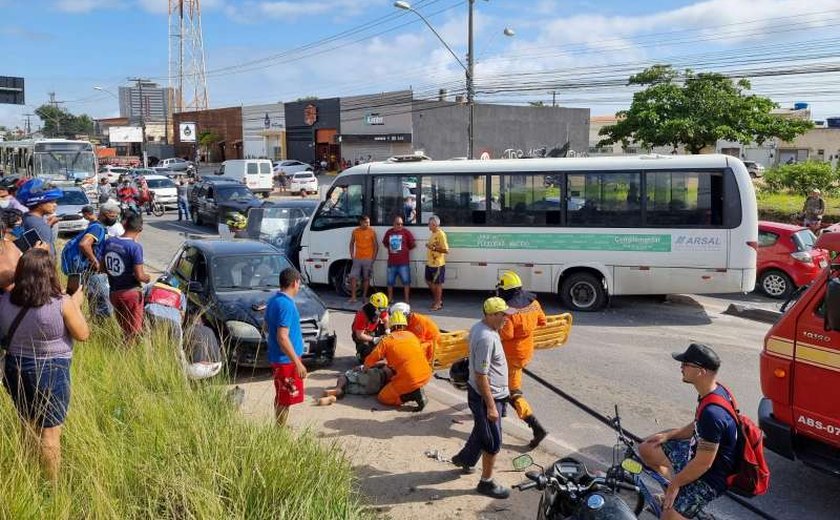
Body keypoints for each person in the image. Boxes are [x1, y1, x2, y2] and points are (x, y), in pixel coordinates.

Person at [0, 248, 90, 481]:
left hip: (14, 368)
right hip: (51, 371)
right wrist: (76, 303)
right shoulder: (62, 303)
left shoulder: (5, 301)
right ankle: (51, 486)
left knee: (27, 423)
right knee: (50, 434)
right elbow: (82, 334)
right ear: (50, 274)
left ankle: (26, 470)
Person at [638, 343, 738, 520]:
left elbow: (703, 464)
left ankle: (677, 502)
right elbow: (697, 424)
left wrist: (675, 484)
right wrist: (669, 435)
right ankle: (676, 497)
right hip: (696, 455)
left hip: (711, 476)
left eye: (686, 364)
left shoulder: (713, 414)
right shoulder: (712, 391)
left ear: (701, 372)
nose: (681, 367)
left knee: (667, 517)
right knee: (649, 448)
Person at [450, 297, 512, 499]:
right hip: (487, 397)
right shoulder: (486, 337)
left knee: (481, 429)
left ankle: (466, 459)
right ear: (492, 315)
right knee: (492, 442)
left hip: (494, 394)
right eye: (503, 315)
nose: (506, 319)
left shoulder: (481, 328)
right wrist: (491, 406)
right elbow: (481, 375)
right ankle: (486, 483)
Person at [495, 271, 549, 448]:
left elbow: (507, 334)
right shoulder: (533, 303)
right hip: (526, 353)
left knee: (513, 392)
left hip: (510, 357)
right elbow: (542, 322)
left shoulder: (509, 312)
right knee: (506, 383)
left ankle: (535, 426)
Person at [363, 310, 431, 411]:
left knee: (383, 398)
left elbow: (373, 357)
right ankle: (414, 389)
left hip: (410, 379)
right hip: (426, 374)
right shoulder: (412, 336)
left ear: (391, 325)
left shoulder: (387, 340)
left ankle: (414, 394)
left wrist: (365, 367)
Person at [264, 268, 307, 426]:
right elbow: (282, 336)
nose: (299, 286)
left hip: (278, 357)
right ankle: (279, 431)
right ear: (295, 282)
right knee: (286, 398)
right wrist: (297, 362)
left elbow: (267, 326)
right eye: (299, 283)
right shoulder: (286, 305)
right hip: (286, 361)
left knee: (282, 396)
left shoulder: (273, 300)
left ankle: (279, 425)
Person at [103, 211, 150, 338]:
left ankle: (123, 352)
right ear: (140, 229)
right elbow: (140, 276)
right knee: (134, 332)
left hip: (114, 292)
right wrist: (147, 278)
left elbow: (103, 267)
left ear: (124, 225)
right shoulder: (135, 247)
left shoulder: (109, 242)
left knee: (124, 328)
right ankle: (128, 354)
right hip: (130, 293)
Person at [78, 202, 120, 319]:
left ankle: (96, 327)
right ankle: (102, 330)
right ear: (104, 214)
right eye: (113, 216)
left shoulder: (98, 226)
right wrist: (95, 261)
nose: (115, 219)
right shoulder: (97, 227)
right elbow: (84, 244)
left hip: (91, 272)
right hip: (94, 273)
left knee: (95, 303)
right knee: (103, 305)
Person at [17, 178, 63, 257]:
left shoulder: (27, 218)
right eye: (51, 202)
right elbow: (45, 256)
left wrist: (48, 225)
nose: (55, 205)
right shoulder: (40, 225)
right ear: (39, 203)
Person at [316, 365, 394, 406]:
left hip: (376, 375)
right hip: (375, 389)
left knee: (345, 375)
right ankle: (333, 397)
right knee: (347, 387)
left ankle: (338, 388)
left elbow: (378, 362)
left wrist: (361, 367)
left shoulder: (390, 357)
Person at [382, 216, 415, 303]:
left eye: (401, 224)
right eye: (398, 224)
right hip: (392, 262)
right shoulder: (389, 232)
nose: (400, 225)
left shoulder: (406, 232)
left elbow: (412, 244)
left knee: (406, 282)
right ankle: (390, 299)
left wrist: (404, 250)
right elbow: (385, 243)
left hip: (403, 263)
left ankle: (407, 300)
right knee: (390, 282)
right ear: (393, 224)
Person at [348, 215, 378, 303]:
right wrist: (352, 255)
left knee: (366, 278)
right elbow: (351, 243)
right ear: (361, 222)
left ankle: (364, 296)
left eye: (369, 222)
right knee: (353, 277)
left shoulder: (372, 231)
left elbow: (376, 245)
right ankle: (353, 297)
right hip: (357, 258)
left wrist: (373, 258)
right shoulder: (355, 231)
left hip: (368, 259)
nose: (368, 224)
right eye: (366, 222)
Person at [352, 292, 390, 361]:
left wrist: (387, 330)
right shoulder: (362, 315)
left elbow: (386, 319)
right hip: (362, 334)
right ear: (373, 307)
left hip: (373, 329)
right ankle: (361, 355)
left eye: (384, 309)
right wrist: (374, 339)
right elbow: (359, 335)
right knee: (367, 356)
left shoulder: (380, 309)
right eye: (381, 310)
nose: (383, 312)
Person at [425, 215, 448, 311]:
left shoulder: (441, 234)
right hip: (430, 263)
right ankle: (437, 300)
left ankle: (438, 303)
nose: (428, 226)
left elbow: (446, 250)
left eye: (429, 224)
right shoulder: (433, 233)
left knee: (438, 284)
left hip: (437, 264)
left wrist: (433, 248)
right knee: (428, 281)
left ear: (434, 225)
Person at [0, 210, 23, 291]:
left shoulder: (11, 243)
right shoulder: (3, 247)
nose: (21, 229)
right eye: (18, 226)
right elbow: (6, 284)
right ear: (6, 228)